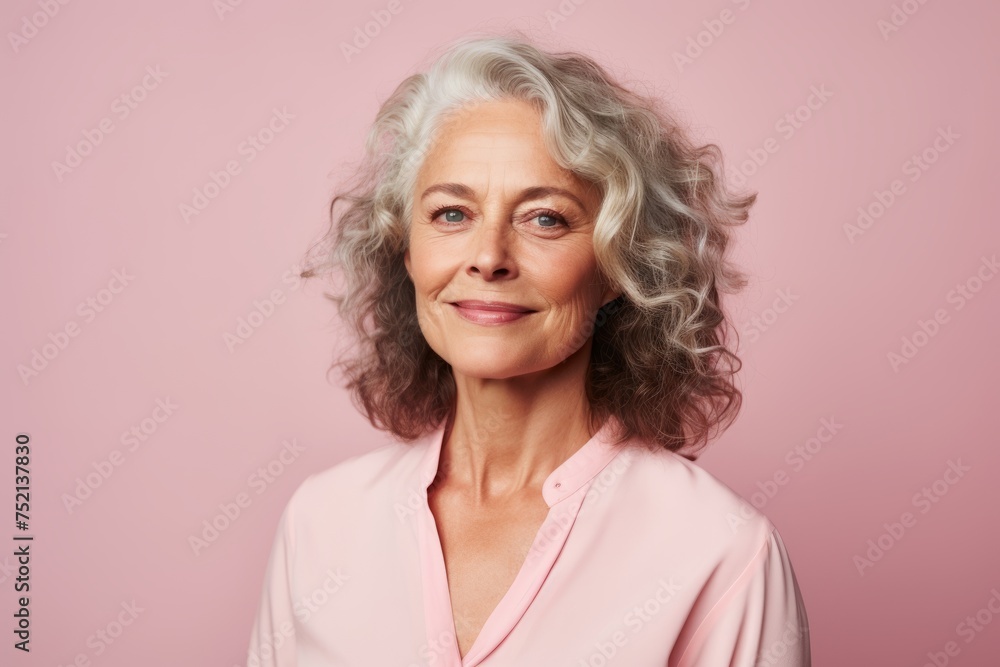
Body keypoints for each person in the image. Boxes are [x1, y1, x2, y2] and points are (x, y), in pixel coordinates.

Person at [246, 31, 811, 667]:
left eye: (545, 218)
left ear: (617, 265)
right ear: (406, 249)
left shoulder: (721, 553)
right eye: (452, 214)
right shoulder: (320, 525)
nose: (488, 257)